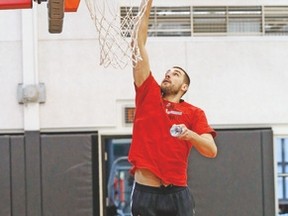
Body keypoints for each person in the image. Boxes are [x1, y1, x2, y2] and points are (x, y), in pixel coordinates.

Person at [128, 0, 218, 215]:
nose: (168, 74)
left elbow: (211, 150)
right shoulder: (147, 94)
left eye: (175, 73)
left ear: (184, 86)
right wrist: (146, 5)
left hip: (178, 192)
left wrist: (190, 136)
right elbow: (137, 45)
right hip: (146, 192)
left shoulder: (194, 113)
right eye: (167, 72)